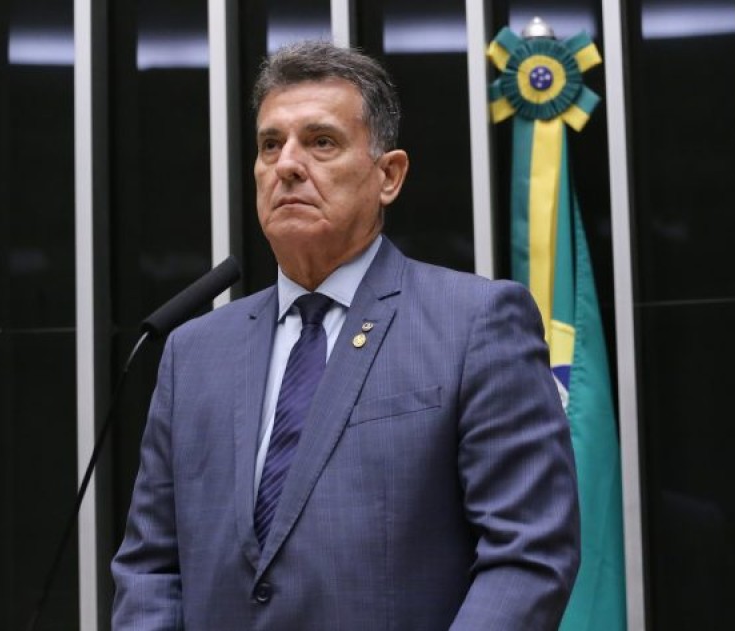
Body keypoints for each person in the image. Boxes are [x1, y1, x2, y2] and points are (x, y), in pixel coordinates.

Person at [111, 40, 580, 630]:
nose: (286, 164)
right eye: (270, 145)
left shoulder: (475, 323)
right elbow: (151, 569)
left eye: (321, 142)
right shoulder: (194, 352)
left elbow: (527, 554)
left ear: (389, 175)